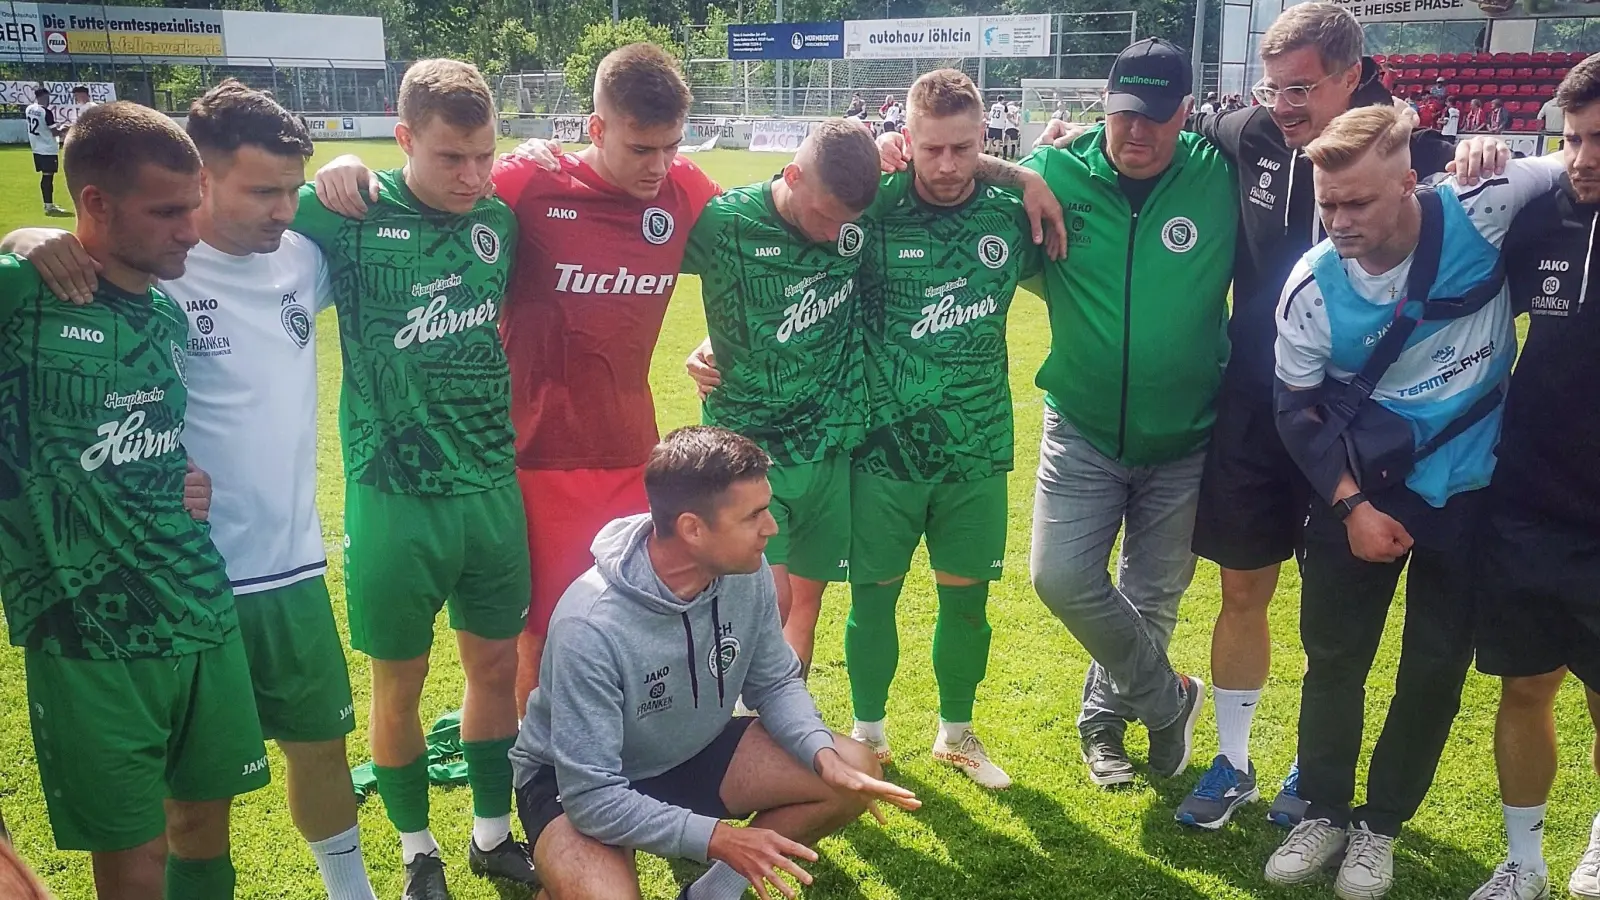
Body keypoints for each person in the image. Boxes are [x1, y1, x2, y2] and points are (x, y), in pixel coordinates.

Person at [1042, 6, 1458, 830]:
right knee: (1243, 587)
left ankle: (1318, 756)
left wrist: (1480, 152)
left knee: (1337, 607)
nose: (1285, 105)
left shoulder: (1417, 155)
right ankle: (1231, 761)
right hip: (1257, 404)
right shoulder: (1246, 136)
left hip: (1366, 418)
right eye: (1274, 87)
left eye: (1303, 87)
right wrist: (1021, 170)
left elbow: (1495, 202)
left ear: (1354, 73)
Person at [0, 81, 381, 900]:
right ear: (204, 179)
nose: (283, 209)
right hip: (169, 588)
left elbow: (366, 193)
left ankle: (354, 891)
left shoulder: (299, 255)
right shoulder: (137, 268)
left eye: (291, 189)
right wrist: (27, 235)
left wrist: (346, 164)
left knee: (319, 749)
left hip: (285, 567)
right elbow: (65, 267)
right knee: (189, 813)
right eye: (261, 190)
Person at [311, 45, 721, 715]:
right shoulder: (528, 182)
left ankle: (621, 758)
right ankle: (541, 778)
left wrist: (716, 336)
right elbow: (434, 189)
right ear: (596, 128)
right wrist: (352, 169)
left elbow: (769, 235)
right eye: (641, 148)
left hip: (630, 455)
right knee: (543, 634)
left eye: (671, 147)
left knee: (632, 617)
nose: (659, 166)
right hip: (529, 457)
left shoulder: (684, 190)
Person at [1265, 104, 1560, 900]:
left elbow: (1576, 164)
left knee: (1433, 671)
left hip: (1469, 493)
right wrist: (1351, 507)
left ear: (1409, 184)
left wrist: (1493, 148)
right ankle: (1322, 811)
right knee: (1334, 662)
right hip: (1359, 492)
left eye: (1358, 202)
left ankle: (1380, 827)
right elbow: (1296, 412)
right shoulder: (1311, 285)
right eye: (1328, 203)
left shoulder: (1483, 203)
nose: (1340, 220)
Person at [0, 100, 270, 900]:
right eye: (167, 211)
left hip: (199, 609)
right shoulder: (24, 296)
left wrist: (175, 472)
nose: (192, 227)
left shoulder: (162, 310)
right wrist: (17, 240)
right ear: (94, 206)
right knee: (134, 860)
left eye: (194, 203)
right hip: (88, 634)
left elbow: (138, 429)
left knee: (203, 831)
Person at [292, 59, 534, 899]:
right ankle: (416, 850)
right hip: (391, 493)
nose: (471, 177)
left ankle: (493, 833)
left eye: (483, 156)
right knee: (398, 680)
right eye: (449, 159)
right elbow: (209, 210)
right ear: (403, 141)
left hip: (491, 490)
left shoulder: (501, 215)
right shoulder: (347, 212)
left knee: (495, 668)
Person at [509, 425, 921, 900]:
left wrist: (819, 752)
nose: (771, 528)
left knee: (852, 770)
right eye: (755, 516)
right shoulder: (591, 626)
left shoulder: (746, 571)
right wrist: (719, 839)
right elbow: (592, 798)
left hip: (689, 750)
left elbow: (775, 682)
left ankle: (708, 895)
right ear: (692, 528)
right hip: (578, 782)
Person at [1012, 37, 1235, 791]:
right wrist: (1010, 167)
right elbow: (943, 189)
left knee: (1151, 598)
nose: (1136, 134)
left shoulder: (1219, 174)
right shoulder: (1055, 172)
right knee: (1060, 577)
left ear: (1187, 114)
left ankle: (1103, 726)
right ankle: (1168, 701)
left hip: (1189, 436)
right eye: (1122, 116)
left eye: (1156, 118)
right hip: (1081, 426)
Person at [841, 69, 1041, 790]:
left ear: (983, 139)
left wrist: (1025, 180)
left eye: (964, 148)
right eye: (933, 149)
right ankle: (869, 735)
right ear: (909, 140)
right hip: (882, 449)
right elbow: (796, 243)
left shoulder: (1007, 214)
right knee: (873, 600)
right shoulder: (873, 206)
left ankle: (956, 733)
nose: (949, 165)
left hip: (976, 447)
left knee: (967, 602)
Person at [1466, 56, 1600, 900]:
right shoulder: (1540, 215)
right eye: (1576, 137)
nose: (1585, 157)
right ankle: (1524, 862)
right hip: (1527, 500)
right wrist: (1481, 157)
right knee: (1524, 685)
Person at [24, 86, 69, 216]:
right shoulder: (46, 112)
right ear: (44, 97)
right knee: (48, 177)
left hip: (36, 147)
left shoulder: (29, 109)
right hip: (48, 148)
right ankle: (49, 206)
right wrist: (65, 129)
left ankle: (48, 204)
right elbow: (55, 132)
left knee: (45, 176)